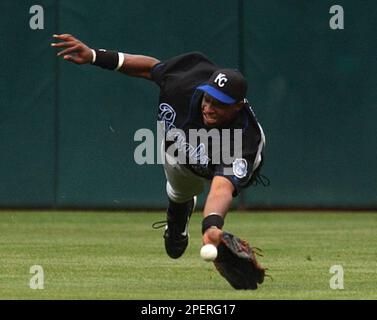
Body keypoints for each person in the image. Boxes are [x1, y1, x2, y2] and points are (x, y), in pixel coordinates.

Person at [52, 34, 267, 288]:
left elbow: (221, 187)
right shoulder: (183, 84)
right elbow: (149, 68)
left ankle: (190, 211)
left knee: (216, 179)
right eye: (208, 98)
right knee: (179, 192)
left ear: (238, 106)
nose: (209, 107)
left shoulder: (243, 141)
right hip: (182, 150)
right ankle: (179, 212)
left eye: (219, 104)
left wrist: (211, 227)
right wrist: (95, 56)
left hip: (223, 159)